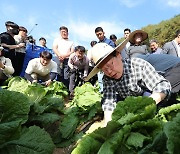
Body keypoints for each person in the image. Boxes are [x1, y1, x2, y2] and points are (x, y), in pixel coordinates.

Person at [85, 40, 171, 126]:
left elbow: (162, 85)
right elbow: (109, 102)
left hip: (144, 97)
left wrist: (147, 105)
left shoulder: (138, 65)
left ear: (119, 56)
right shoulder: (107, 79)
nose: (109, 71)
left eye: (111, 64)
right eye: (104, 69)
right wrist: (108, 125)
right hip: (126, 101)